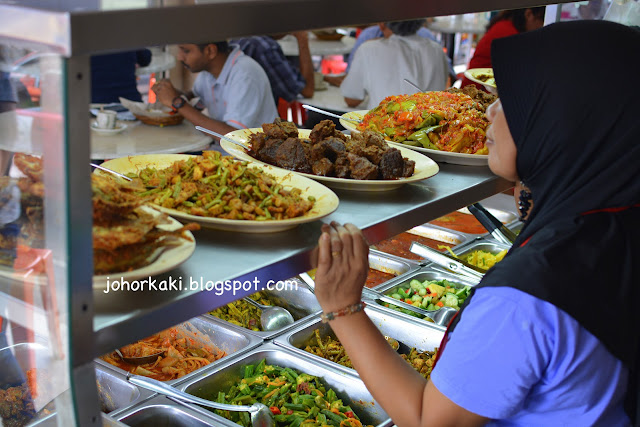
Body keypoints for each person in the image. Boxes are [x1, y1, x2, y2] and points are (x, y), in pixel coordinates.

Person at [312, 20, 639, 426]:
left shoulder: (526, 297)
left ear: (560, 122)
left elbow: (428, 420)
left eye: (513, 101)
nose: (489, 110)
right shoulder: (615, 218)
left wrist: (343, 306)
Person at [152, 41, 278, 136]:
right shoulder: (208, 72)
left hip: (253, 159)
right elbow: (196, 101)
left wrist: (177, 102)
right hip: (222, 150)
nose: (179, 57)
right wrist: (171, 94)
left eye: (186, 51)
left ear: (210, 51)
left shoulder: (245, 74)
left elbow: (233, 137)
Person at [339, 19, 449, 110]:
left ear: (382, 24)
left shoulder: (369, 49)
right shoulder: (437, 50)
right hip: (432, 131)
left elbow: (351, 99)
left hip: (383, 131)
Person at [460, 7, 544, 90]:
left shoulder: (505, 26)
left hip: (474, 91)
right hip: (475, 94)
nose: (542, 26)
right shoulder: (510, 34)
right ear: (529, 15)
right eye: (541, 21)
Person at [231, 31, 314, 104]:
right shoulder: (265, 47)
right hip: (260, 119)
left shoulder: (240, 37)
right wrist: (302, 39)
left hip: (241, 112)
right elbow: (307, 90)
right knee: (317, 118)